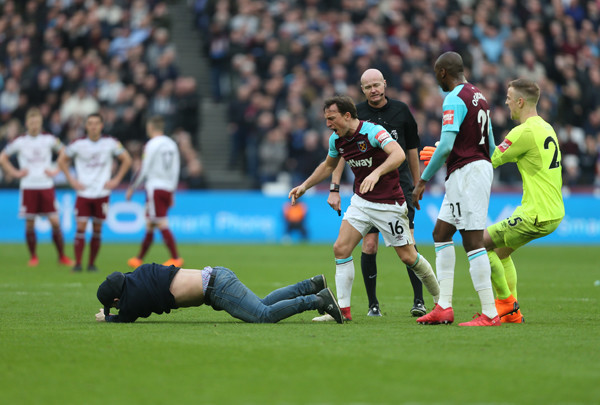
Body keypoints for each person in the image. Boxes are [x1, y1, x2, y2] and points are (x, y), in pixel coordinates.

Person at [289, 95, 440, 322]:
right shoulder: (336, 140)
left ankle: (441, 300)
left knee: (409, 257)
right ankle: (343, 311)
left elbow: (399, 154)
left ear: (347, 115)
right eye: (326, 119)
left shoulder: (373, 132)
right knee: (341, 248)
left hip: (389, 204)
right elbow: (329, 165)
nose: (328, 124)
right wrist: (304, 186)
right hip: (361, 202)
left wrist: (377, 172)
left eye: (332, 119)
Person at [327, 68, 426, 317]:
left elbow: (411, 150)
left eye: (376, 85)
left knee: (408, 245)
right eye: (368, 86)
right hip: (368, 188)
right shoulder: (354, 115)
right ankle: (373, 305)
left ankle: (419, 301)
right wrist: (335, 187)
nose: (373, 90)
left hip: (398, 185)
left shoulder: (401, 111)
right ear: (362, 90)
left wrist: (418, 183)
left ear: (384, 84)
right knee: (369, 245)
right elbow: (341, 154)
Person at [413, 51, 500, 326]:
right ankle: (444, 307)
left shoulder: (454, 98)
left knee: (473, 240)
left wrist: (423, 180)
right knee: (441, 232)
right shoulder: (480, 96)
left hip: (467, 172)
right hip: (471, 168)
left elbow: (449, 145)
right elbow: (492, 144)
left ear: (442, 73)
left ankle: (490, 313)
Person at [483, 78, 565, 323]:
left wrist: (449, 153)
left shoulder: (523, 132)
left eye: (509, 98)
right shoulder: (546, 127)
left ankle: (506, 308)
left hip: (536, 214)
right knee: (500, 253)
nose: (506, 102)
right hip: (553, 210)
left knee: (477, 244)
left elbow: (489, 160)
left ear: (520, 101)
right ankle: (511, 313)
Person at [95, 264, 343, 324]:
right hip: (217, 275)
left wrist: (107, 318)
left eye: (113, 305)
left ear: (117, 300)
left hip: (216, 289)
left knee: (263, 316)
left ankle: (317, 300)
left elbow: (127, 316)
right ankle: (311, 285)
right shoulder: (139, 274)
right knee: (262, 304)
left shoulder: (134, 297)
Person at [58, 113, 132, 272]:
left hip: (102, 193)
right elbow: (62, 159)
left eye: (96, 123)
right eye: (90, 123)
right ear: (86, 126)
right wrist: (72, 181)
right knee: (81, 227)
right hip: (83, 193)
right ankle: (78, 263)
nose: (93, 126)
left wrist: (117, 180)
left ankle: (91, 264)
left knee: (97, 229)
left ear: (101, 126)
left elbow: (127, 159)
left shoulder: (110, 143)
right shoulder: (78, 144)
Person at [0, 108, 74, 267]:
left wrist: (57, 170)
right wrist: (15, 173)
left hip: (46, 185)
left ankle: (61, 256)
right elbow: (3, 157)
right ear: (27, 123)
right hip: (28, 186)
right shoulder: (20, 141)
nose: (34, 125)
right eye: (32, 122)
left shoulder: (48, 139)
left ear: (41, 123)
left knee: (55, 222)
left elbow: (65, 152)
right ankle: (33, 257)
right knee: (30, 223)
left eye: (37, 122)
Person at [125, 115, 183, 268]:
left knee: (161, 222)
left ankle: (176, 258)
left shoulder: (151, 144)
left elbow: (144, 169)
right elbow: (176, 170)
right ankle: (139, 258)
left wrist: (132, 187)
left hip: (155, 188)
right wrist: (173, 191)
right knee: (150, 223)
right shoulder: (172, 144)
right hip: (167, 188)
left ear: (150, 127)